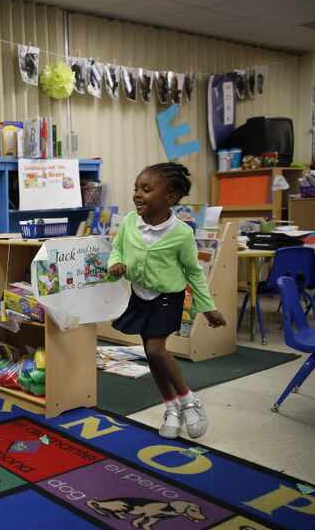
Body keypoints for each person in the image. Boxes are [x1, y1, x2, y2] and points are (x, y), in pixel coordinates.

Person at [108, 163, 226, 440]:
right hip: (140, 297)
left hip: (167, 297)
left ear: (170, 197)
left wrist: (208, 307)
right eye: (136, 188)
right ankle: (170, 405)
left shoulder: (182, 234)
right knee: (152, 354)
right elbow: (117, 251)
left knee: (156, 349)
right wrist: (116, 266)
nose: (137, 194)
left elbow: (193, 272)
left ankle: (188, 399)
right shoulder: (128, 223)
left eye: (146, 189)